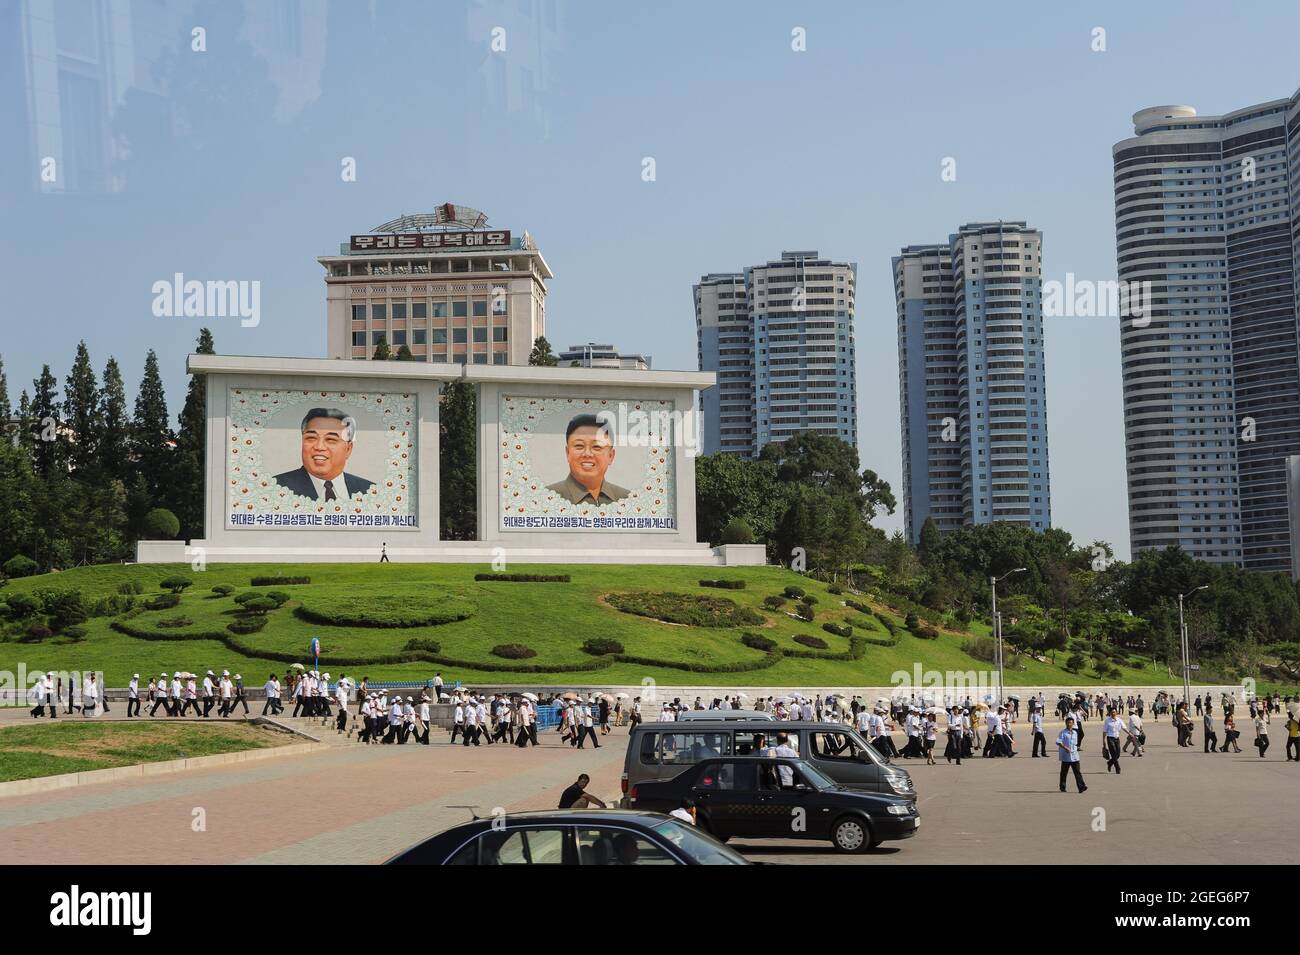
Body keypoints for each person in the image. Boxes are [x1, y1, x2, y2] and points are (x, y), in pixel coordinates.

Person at [273, 408, 375, 500]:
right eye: (311, 438)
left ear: (348, 449)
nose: (319, 447)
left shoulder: (369, 491)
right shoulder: (276, 488)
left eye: (331, 439)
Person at [545, 414, 630, 505]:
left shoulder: (627, 500)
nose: (587, 454)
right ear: (567, 453)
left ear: (610, 456)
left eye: (597, 446)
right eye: (579, 446)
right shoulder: (546, 498)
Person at [1057, 717, 1087, 793]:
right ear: (1065, 723)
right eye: (1068, 723)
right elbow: (1058, 742)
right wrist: (1065, 747)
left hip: (1075, 756)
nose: (1069, 724)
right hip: (1066, 757)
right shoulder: (1063, 732)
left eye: (1070, 723)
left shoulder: (1075, 733)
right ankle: (1062, 787)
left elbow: (1076, 744)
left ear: (1073, 724)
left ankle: (1081, 787)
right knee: (1064, 773)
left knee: (1077, 772)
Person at [1102, 707, 1125, 774]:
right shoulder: (1107, 721)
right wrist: (1103, 741)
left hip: (1117, 738)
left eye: (1114, 712)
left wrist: (1129, 733)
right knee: (1114, 754)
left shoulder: (1119, 720)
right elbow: (1104, 731)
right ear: (1109, 713)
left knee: (1118, 755)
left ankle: (1109, 762)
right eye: (1112, 712)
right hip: (1110, 738)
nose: (1113, 713)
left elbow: (1124, 728)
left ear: (1116, 712)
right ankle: (1117, 768)